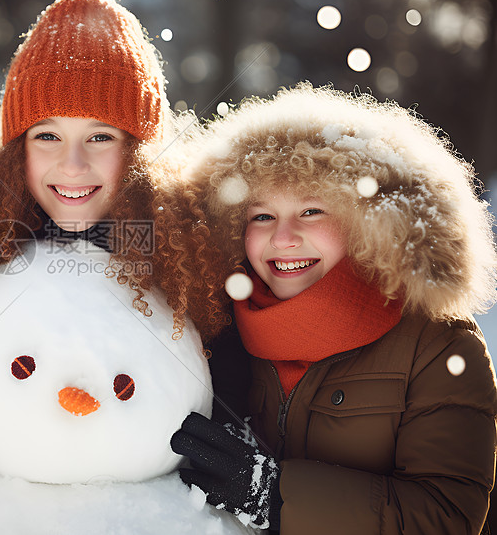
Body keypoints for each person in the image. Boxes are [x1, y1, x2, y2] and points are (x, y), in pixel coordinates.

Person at [171, 83, 497, 534]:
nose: (282, 238)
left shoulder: (438, 345)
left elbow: (448, 515)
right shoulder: (219, 327)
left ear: (366, 222)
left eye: (311, 211)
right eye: (261, 216)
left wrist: (278, 496)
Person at [0, 0, 229, 339]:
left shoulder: (196, 262)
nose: (72, 165)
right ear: (15, 151)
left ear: (139, 154)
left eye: (100, 138)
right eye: (47, 137)